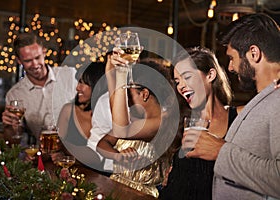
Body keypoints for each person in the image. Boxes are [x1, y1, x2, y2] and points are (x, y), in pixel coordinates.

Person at [183, 14, 280, 199]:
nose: (230, 68)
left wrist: (220, 151)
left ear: (254, 53)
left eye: (232, 58)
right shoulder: (266, 98)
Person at [160, 47, 238, 200]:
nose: (181, 86)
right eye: (177, 81)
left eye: (187, 77)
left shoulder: (241, 116)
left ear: (210, 75)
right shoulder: (177, 118)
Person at [97, 53, 179, 198]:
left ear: (145, 94)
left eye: (128, 91)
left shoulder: (164, 121)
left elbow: (121, 129)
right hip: (116, 187)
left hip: (141, 196)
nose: (124, 97)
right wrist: (118, 156)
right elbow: (102, 143)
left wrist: (118, 79)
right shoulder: (135, 117)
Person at [2, 32, 77, 145]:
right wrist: (8, 127)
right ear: (19, 61)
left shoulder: (69, 75)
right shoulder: (14, 94)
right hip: (45, 154)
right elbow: (13, 141)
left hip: (77, 150)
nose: (35, 64)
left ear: (44, 52)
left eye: (37, 57)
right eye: (28, 61)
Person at [56, 61, 107, 168]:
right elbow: (55, 148)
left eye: (83, 83)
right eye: (78, 82)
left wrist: (64, 146)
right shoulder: (68, 110)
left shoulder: (108, 115)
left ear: (97, 85)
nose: (77, 88)